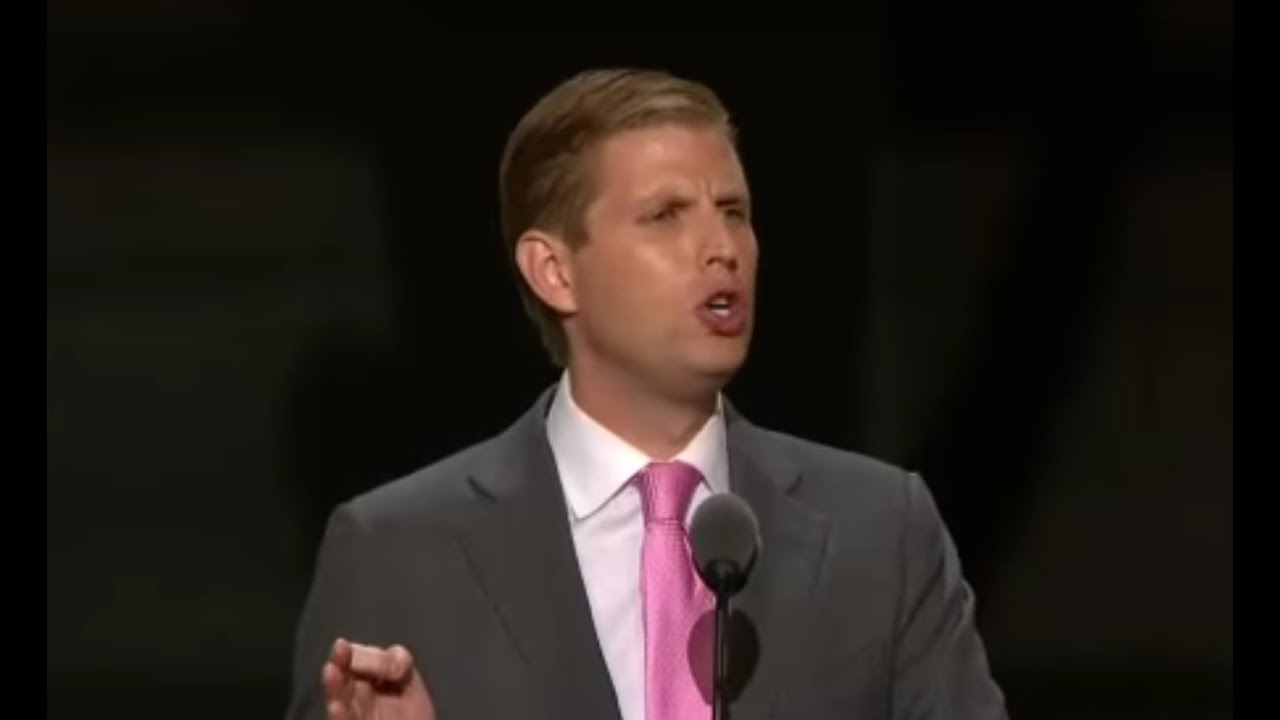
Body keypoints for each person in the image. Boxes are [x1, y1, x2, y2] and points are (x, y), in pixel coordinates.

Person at [285, 68, 1009, 720]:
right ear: (554, 271)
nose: (721, 247)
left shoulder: (881, 533)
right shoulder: (399, 551)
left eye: (733, 210)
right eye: (666, 215)